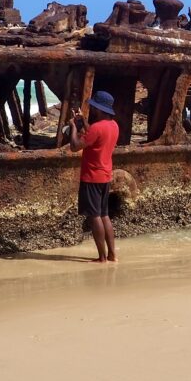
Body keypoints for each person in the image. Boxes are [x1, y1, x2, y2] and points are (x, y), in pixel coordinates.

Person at [68, 90, 121, 262]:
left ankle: (102, 257)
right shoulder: (114, 126)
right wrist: (83, 121)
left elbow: (75, 146)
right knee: (104, 214)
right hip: (105, 176)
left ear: (99, 109)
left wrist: (74, 128)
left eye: (94, 107)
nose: (93, 110)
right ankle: (112, 254)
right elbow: (95, 137)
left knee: (94, 216)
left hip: (91, 177)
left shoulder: (97, 128)